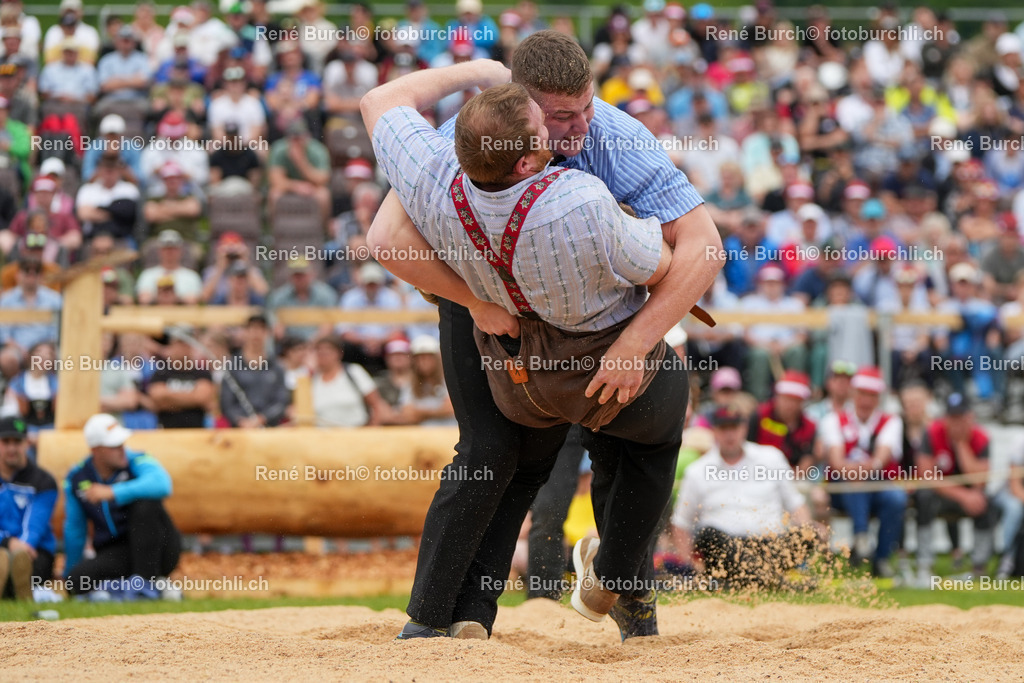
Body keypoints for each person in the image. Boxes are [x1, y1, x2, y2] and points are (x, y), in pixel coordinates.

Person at [363, 34, 717, 639]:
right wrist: (471, 299)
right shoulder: (480, 137)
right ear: (518, 111)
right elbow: (391, 234)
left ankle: (632, 614)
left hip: (588, 313)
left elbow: (703, 244)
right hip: (484, 305)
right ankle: (445, 621)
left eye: (587, 107)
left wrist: (635, 342)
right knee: (493, 455)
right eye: (560, 117)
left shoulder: (615, 138)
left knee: (613, 444)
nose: (580, 127)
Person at [671, 405, 814, 588]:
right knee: (710, 536)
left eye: (734, 428)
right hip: (724, 547)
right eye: (724, 428)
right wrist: (691, 566)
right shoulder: (697, 471)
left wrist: (806, 529)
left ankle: (751, 579)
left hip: (769, 545)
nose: (730, 435)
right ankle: (769, 580)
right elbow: (681, 523)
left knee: (808, 533)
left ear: (744, 428)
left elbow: (796, 505)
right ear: (714, 431)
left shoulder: (771, 458)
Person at [63, 413, 180, 599]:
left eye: (122, 443)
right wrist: (68, 571)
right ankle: (137, 587)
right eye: (114, 446)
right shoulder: (77, 477)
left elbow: (163, 484)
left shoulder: (136, 459)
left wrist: (112, 492)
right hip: (118, 551)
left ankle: (146, 585)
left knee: (145, 503)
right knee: (75, 581)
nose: (122, 450)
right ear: (96, 450)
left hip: (159, 547)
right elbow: (75, 529)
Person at [819, 366, 907, 576]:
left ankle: (880, 556)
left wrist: (860, 469)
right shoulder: (833, 420)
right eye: (862, 394)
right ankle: (861, 538)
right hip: (842, 489)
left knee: (897, 498)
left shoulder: (891, 421)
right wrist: (861, 469)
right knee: (855, 485)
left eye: (872, 395)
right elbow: (836, 461)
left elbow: (882, 457)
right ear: (853, 393)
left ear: (878, 397)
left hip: (876, 485)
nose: (866, 400)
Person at [915, 393, 999, 582]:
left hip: (969, 495)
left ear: (970, 417)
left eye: (960, 417)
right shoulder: (931, 433)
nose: (955, 422)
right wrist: (962, 495)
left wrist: (961, 443)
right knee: (923, 497)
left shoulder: (981, 438)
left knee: (987, 502)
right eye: (952, 417)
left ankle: (979, 566)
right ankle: (924, 563)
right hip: (942, 493)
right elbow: (926, 475)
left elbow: (980, 481)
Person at [0, 415, 57, 600]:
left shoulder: (44, 481)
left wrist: (21, 548)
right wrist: (6, 542)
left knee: (26, 564)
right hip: (4, 544)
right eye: (5, 441)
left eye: (17, 442)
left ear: (26, 444)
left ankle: (13, 585)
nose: (11, 448)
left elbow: (35, 526)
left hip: (34, 551)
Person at [220, 314, 290, 428]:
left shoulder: (277, 367)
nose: (256, 333)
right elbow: (226, 403)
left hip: (269, 428)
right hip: (239, 429)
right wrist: (240, 421)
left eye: (261, 329)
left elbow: (281, 402)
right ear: (245, 332)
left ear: (267, 333)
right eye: (252, 328)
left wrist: (262, 418)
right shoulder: (232, 366)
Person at [310, 337, 391, 427]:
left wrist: (370, 431)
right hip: (322, 436)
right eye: (319, 352)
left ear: (339, 353)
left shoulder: (353, 371)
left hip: (355, 433)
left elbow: (377, 404)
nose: (323, 356)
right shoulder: (311, 379)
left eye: (327, 352)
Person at [146, 327, 213, 429]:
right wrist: (192, 398)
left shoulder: (202, 372)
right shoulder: (161, 372)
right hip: (167, 432)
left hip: (197, 433)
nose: (183, 348)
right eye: (179, 343)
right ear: (171, 345)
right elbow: (156, 399)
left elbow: (203, 398)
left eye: (186, 343)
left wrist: (169, 399)